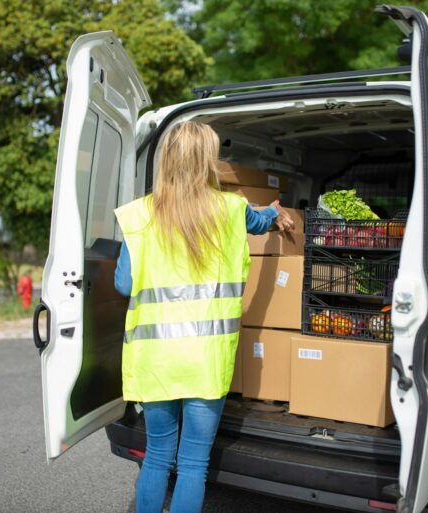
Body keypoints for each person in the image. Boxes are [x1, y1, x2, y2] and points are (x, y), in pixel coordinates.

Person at [113, 121, 294, 513]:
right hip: (206, 359)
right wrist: (274, 211)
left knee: (158, 456)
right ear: (206, 162)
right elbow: (260, 221)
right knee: (194, 463)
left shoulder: (138, 216)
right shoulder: (231, 209)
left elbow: (125, 284)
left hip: (155, 360)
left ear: (167, 161)